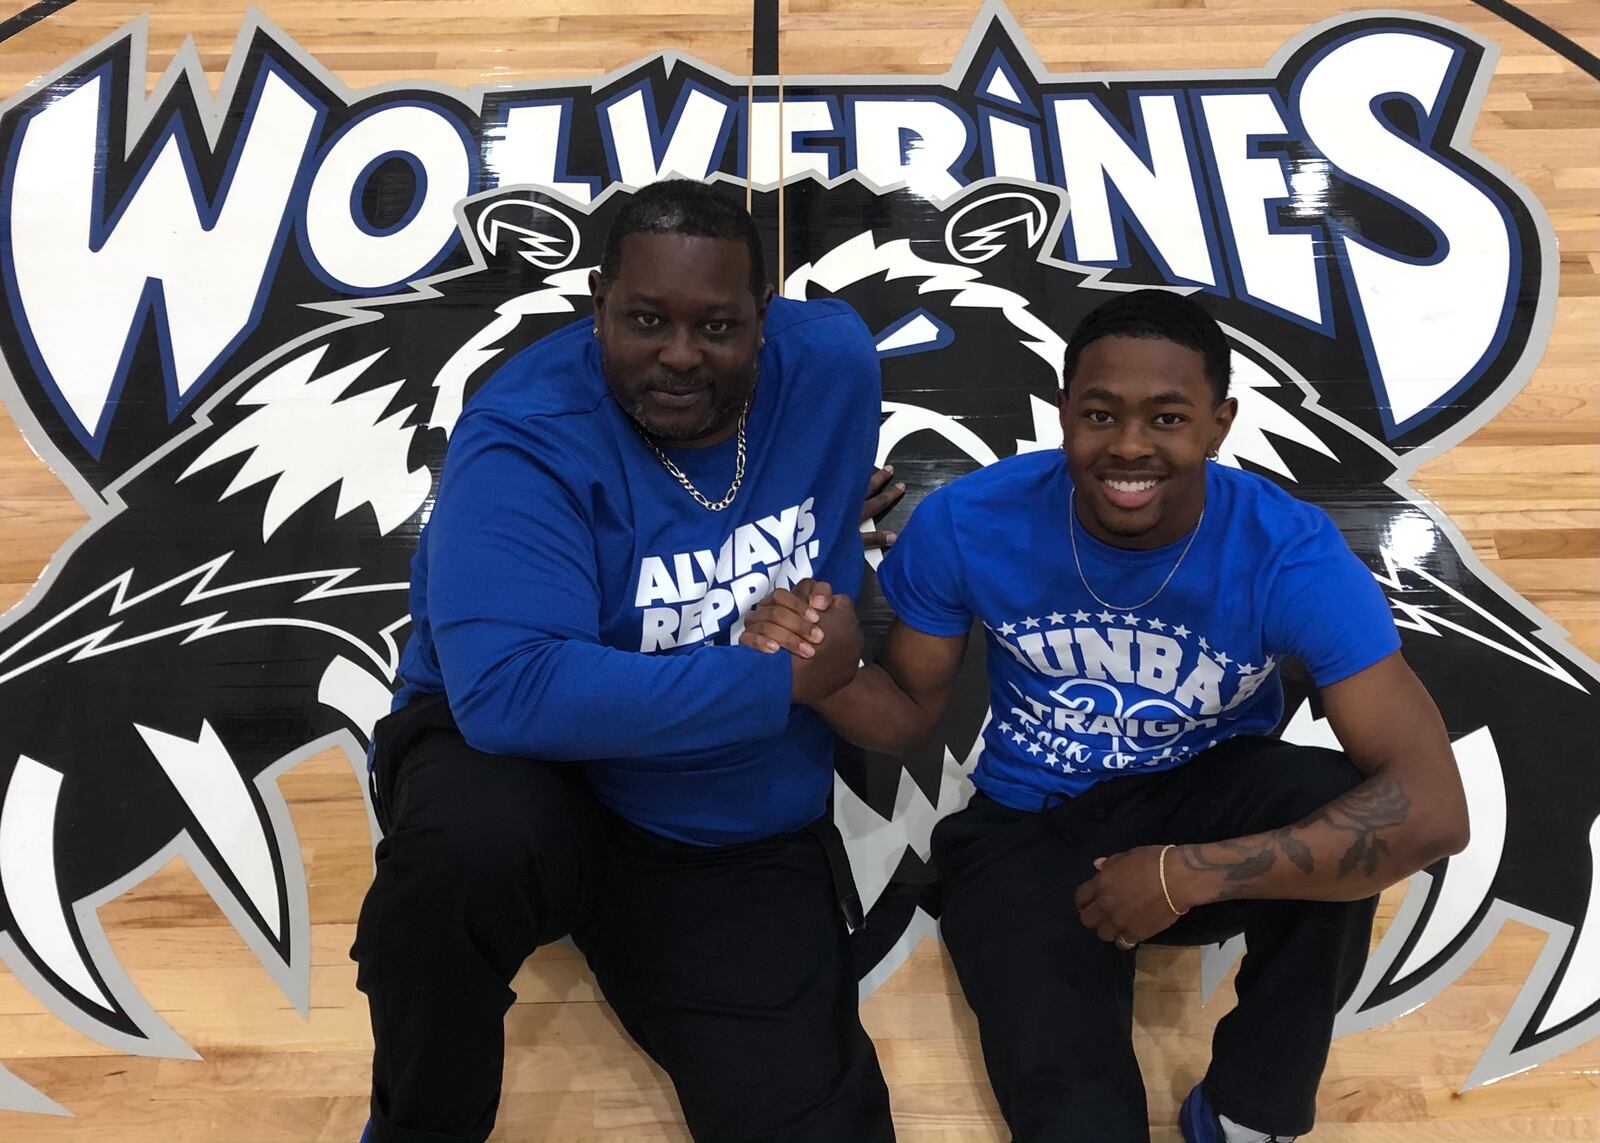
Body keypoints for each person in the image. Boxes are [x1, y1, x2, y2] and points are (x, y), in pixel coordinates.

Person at [740, 289, 1469, 1143]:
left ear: (1220, 421)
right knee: (1073, 1112)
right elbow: (903, 717)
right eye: (1100, 414)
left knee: (1339, 802)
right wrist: (822, 673)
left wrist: (1187, 872)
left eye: (1167, 417)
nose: (1129, 446)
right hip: (1028, 823)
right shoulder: (969, 522)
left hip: (1206, 798)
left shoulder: (1290, 553)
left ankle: (1247, 1110)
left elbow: (1435, 808)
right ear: (1062, 414)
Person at [351, 179, 899, 1143]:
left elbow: (818, 496)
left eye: (717, 327)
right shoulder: (522, 434)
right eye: (646, 319)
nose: (680, 357)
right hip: (528, 765)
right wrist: (780, 680)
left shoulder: (836, 364)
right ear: (598, 300)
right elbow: (514, 697)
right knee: (450, 870)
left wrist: (828, 542)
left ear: (763, 320)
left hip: (713, 808)